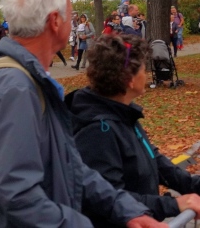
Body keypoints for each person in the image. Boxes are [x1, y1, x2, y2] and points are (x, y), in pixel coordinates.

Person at [0, 0, 164, 227]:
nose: (72, 22)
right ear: (55, 21)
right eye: (70, 16)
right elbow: (18, 196)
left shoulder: (32, 81)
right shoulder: (16, 89)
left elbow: (68, 164)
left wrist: (125, 209)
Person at [67, 34, 200, 225]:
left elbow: (154, 160)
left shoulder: (122, 112)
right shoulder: (97, 131)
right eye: (144, 68)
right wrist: (172, 205)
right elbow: (109, 200)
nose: (146, 74)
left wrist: (193, 185)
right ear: (129, 79)